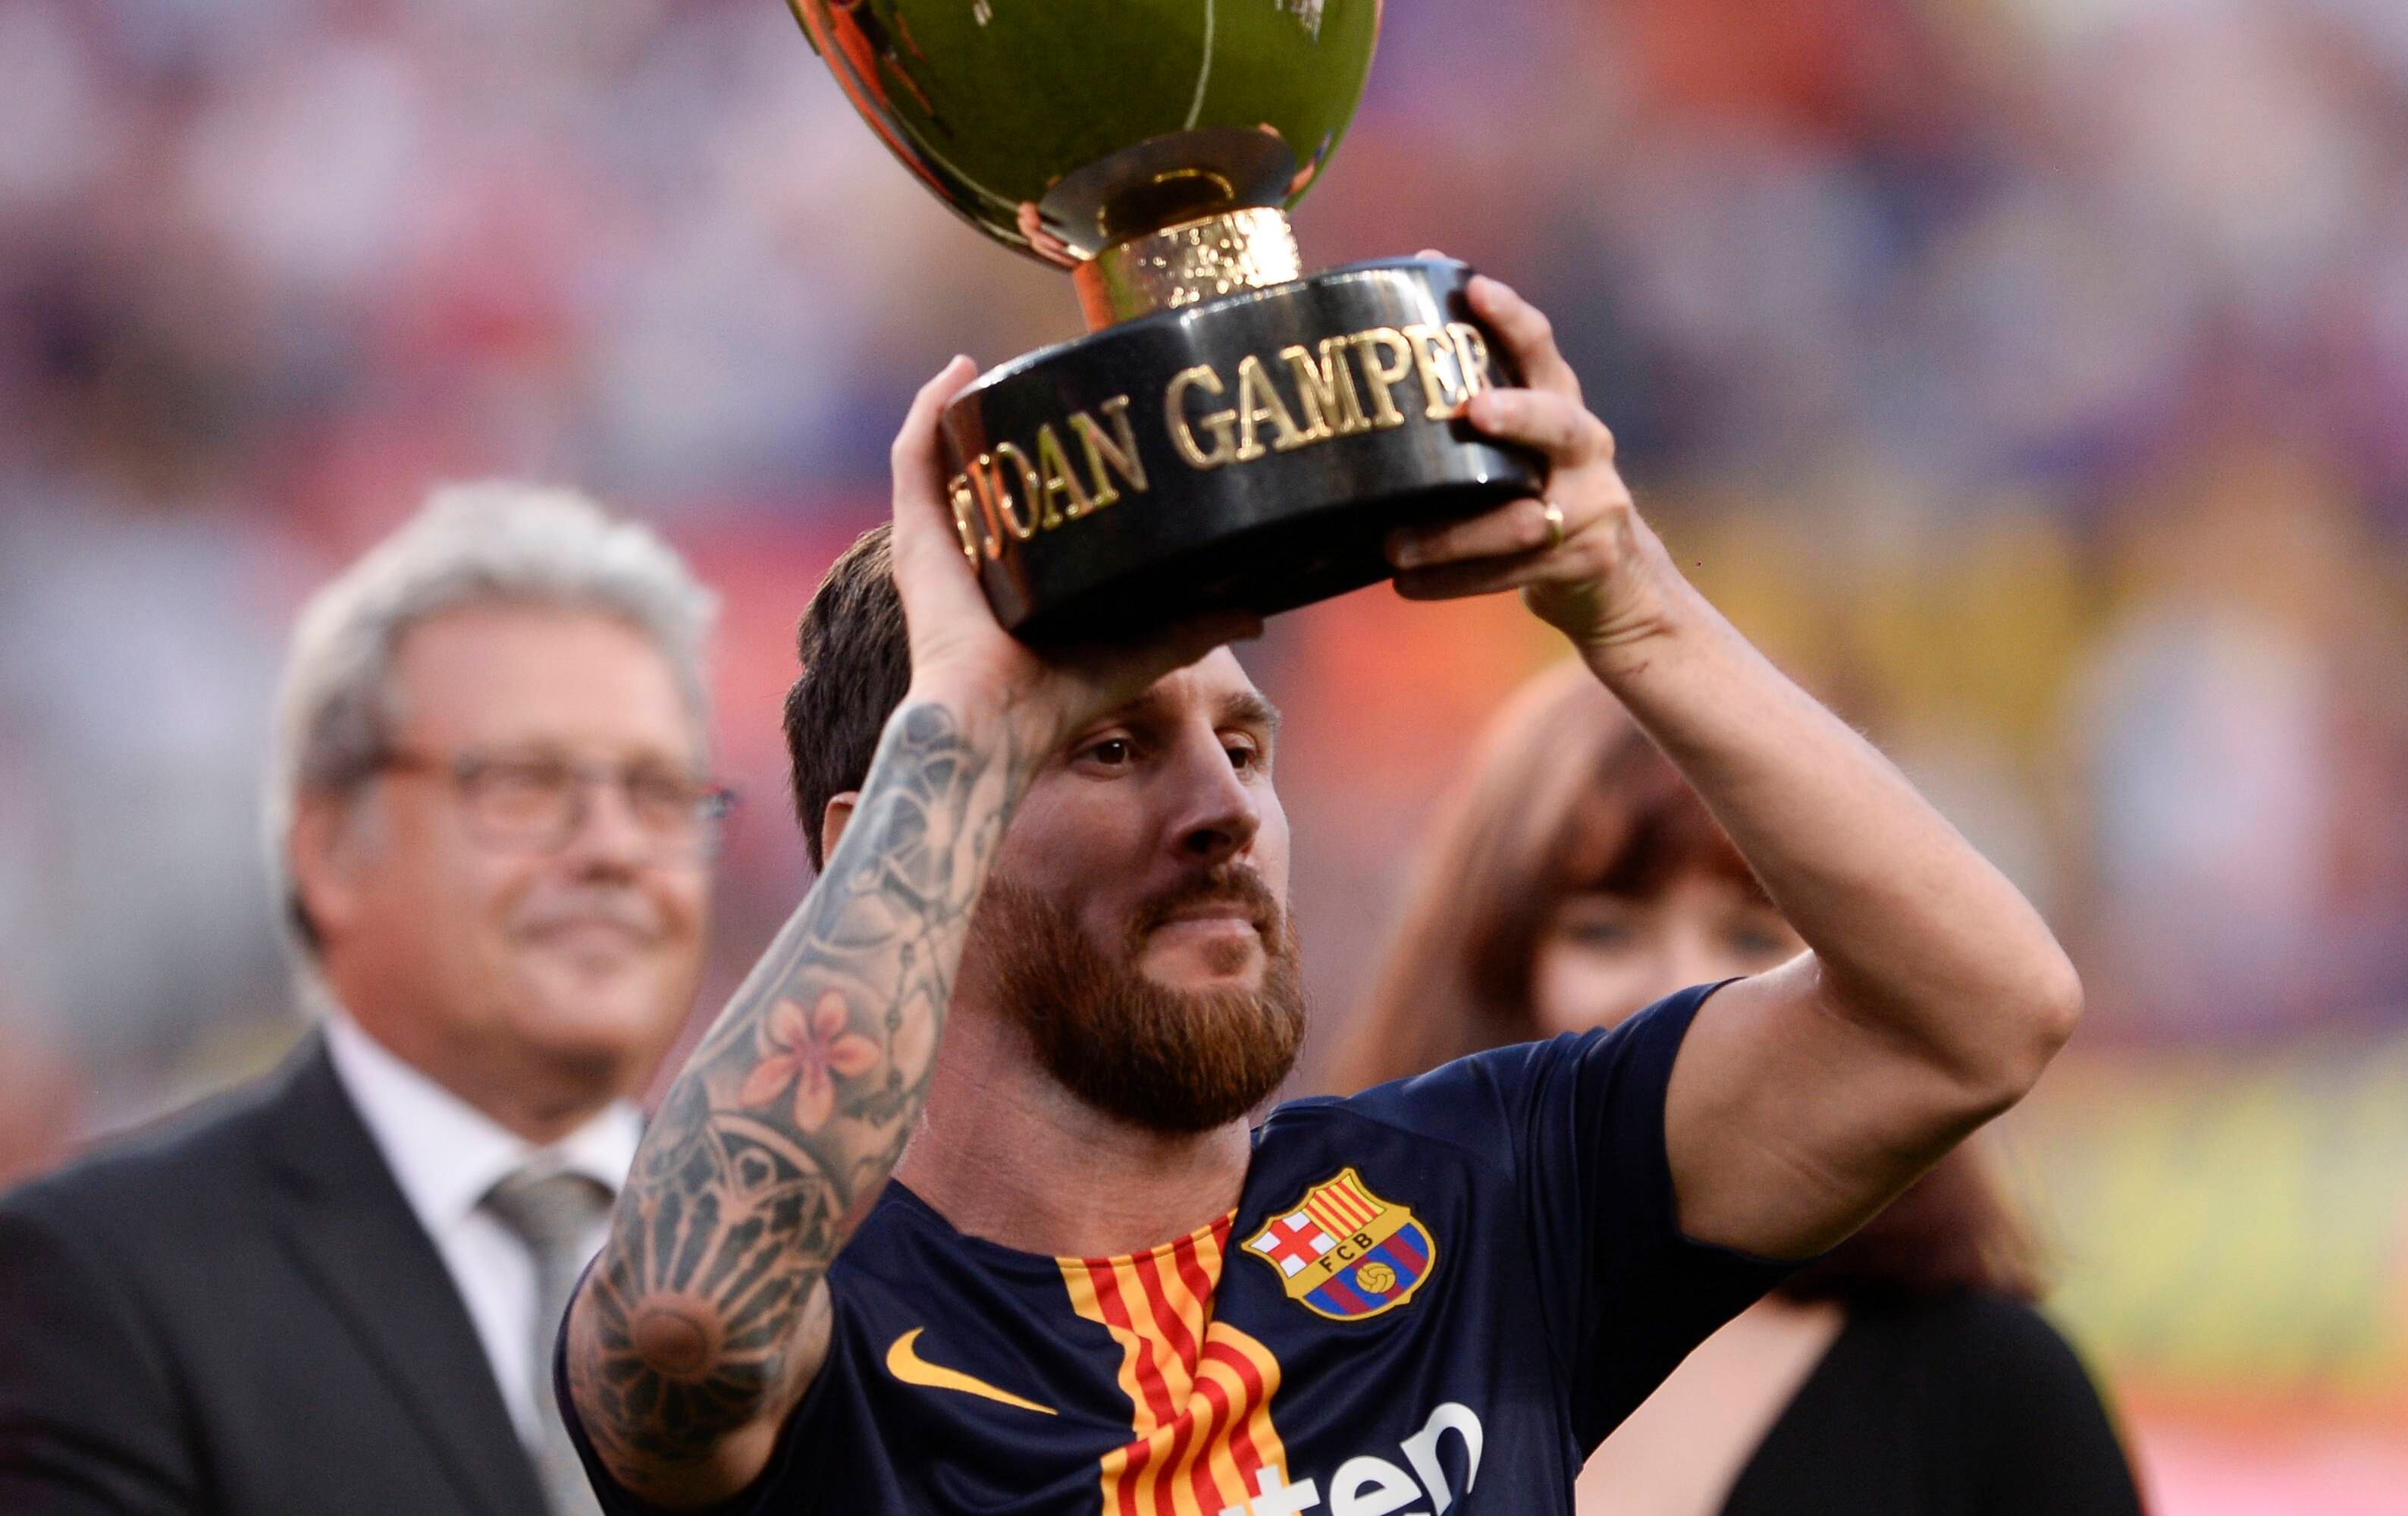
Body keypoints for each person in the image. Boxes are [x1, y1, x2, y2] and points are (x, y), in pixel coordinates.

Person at [559, 273, 2087, 1514]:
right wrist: (962, 723)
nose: (1221, 808)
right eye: (1105, 744)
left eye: (1242, 744)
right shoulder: (837, 1333)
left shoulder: (1489, 1193)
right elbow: (684, 1317)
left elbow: (1973, 1015)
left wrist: (1628, 602)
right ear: (888, 838)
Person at [0, 483, 726, 1516]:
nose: (613, 847)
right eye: (526, 783)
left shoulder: (834, 1266)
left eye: (659, 793)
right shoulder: (97, 1283)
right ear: (331, 850)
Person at [1328, 664, 2144, 1516]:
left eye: (1752, 936)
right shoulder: (1337, 1367)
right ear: (1493, 969)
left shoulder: (1995, 1392)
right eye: (1604, 931)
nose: (1681, 991)